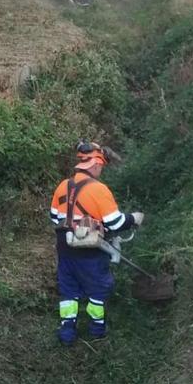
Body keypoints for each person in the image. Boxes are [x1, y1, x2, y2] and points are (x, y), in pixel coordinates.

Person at [49, 142, 143, 345]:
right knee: (98, 288)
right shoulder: (99, 190)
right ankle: (97, 331)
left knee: (68, 289)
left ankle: (67, 333)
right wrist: (134, 218)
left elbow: (55, 217)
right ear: (94, 165)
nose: (101, 169)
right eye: (101, 165)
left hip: (65, 246)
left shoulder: (62, 186)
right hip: (89, 249)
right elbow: (115, 222)